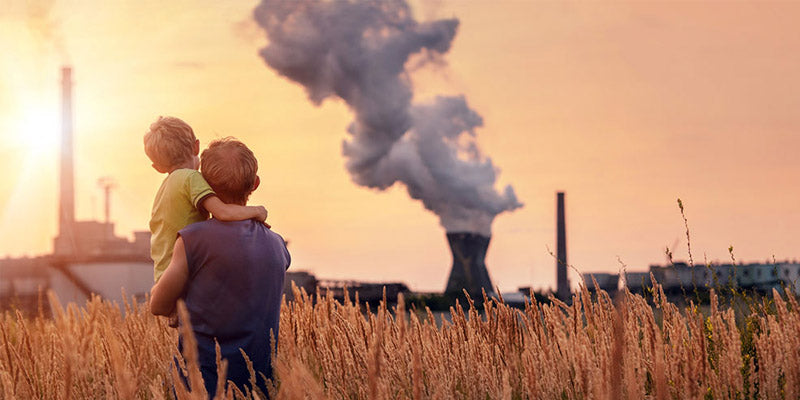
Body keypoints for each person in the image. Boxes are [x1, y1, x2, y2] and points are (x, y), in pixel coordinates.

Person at [150, 137, 291, 397]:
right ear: (255, 184)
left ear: (204, 184)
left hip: (199, 388)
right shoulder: (278, 246)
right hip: (258, 389)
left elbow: (157, 305)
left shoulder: (192, 239)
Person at [144, 116, 269, 282]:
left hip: (164, 277)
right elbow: (222, 212)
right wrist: (257, 211)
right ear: (196, 147)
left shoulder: (166, 187)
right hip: (183, 276)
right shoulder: (190, 178)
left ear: (157, 167)